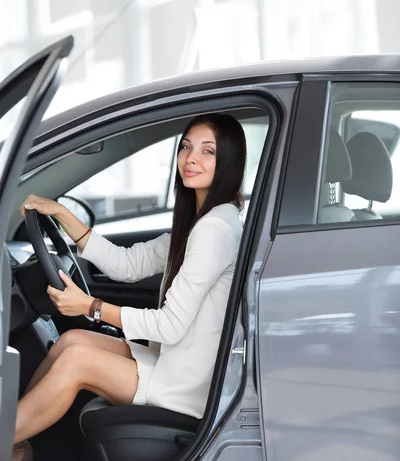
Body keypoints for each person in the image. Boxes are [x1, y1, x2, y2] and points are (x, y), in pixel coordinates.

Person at [13, 113, 246, 460]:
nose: (191, 158)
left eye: (208, 151)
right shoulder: (202, 221)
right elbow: (127, 264)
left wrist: (90, 307)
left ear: (229, 161)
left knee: (77, 360)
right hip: (177, 360)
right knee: (71, 340)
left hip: (185, 385)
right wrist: (61, 213)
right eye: (186, 147)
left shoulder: (215, 229)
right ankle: (18, 444)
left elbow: (170, 325)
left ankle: (9, 437)